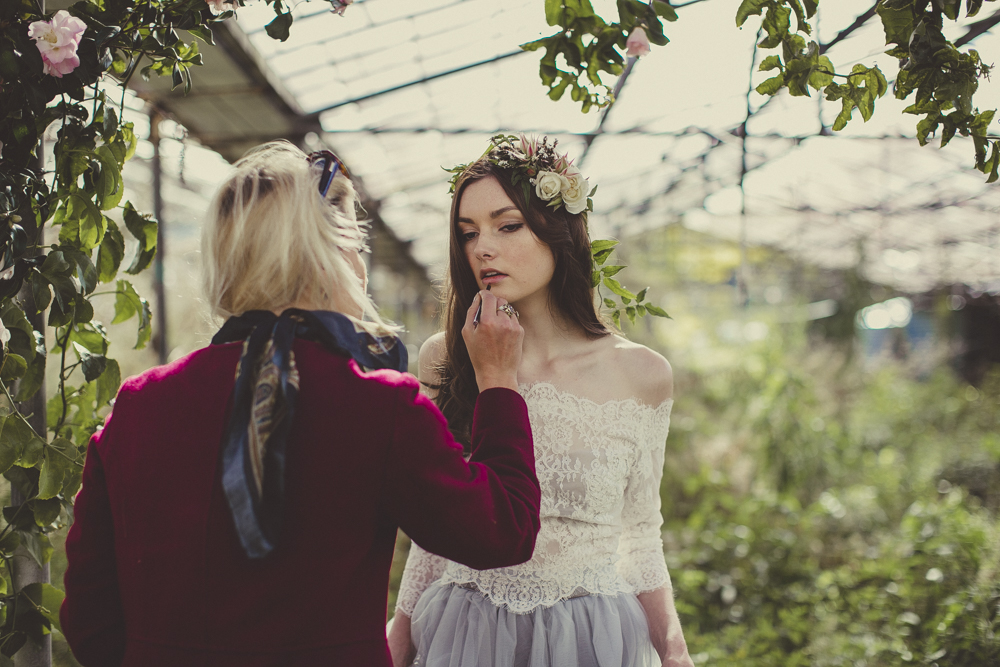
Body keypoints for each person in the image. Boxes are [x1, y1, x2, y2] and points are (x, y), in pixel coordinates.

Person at [59, 141, 542, 667]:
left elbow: (90, 617)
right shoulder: (379, 407)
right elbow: (502, 530)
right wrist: (496, 381)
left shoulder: (140, 406)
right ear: (333, 255)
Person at [387, 135, 694, 667]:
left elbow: (640, 533)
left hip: (592, 639)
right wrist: (399, 636)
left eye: (508, 226)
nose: (483, 248)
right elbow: (440, 527)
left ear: (561, 232)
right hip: (466, 633)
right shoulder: (445, 357)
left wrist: (673, 649)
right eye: (468, 233)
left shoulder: (643, 374)